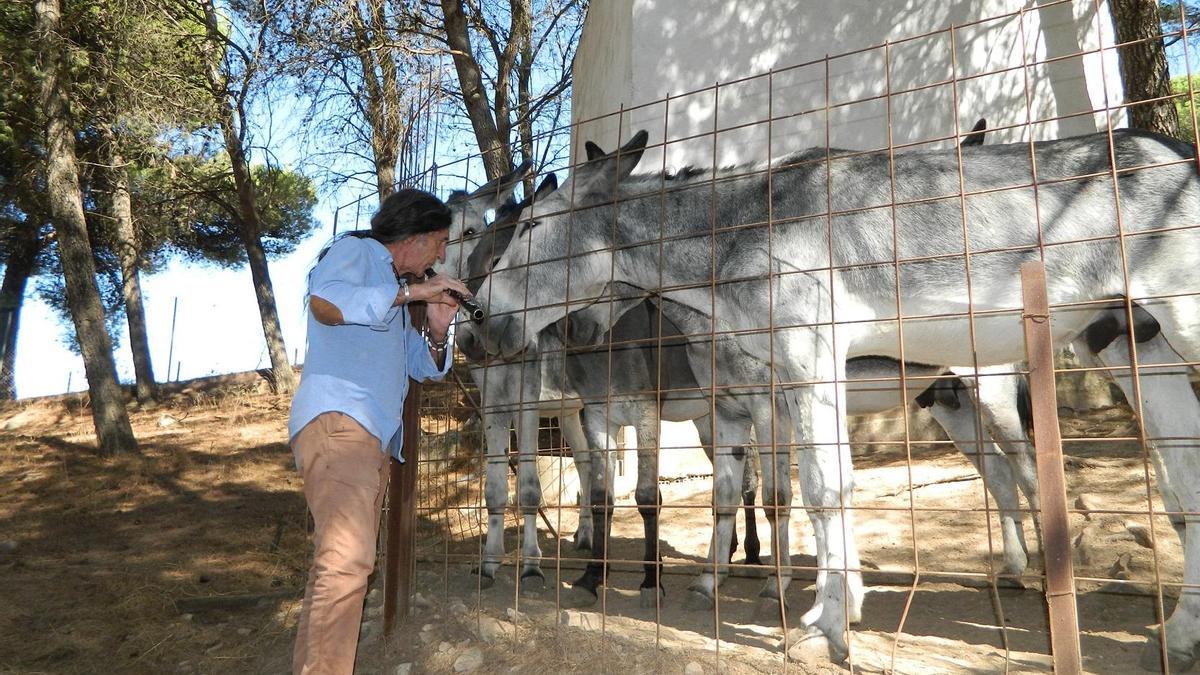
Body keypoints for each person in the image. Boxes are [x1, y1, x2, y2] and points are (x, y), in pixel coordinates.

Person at [287, 188, 471, 675]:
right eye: (441, 242)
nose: (443, 255)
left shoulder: (391, 290)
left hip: (365, 436)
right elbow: (325, 302)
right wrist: (414, 293)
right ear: (417, 237)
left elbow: (423, 367)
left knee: (340, 565)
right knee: (347, 564)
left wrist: (435, 325)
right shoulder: (357, 251)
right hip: (340, 423)